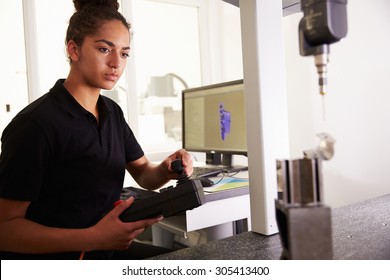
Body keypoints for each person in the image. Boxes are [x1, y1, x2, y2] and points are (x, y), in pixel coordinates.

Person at [0, 0, 193, 260]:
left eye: (124, 53)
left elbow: (145, 175)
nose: (116, 63)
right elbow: (6, 229)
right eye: (104, 49)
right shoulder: (35, 125)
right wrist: (94, 237)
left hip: (104, 250)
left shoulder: (112, 113)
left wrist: (167, 168)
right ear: (74, 50)